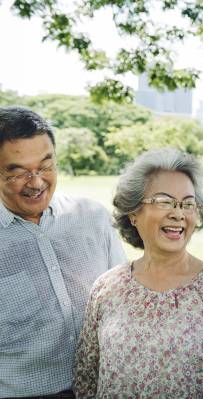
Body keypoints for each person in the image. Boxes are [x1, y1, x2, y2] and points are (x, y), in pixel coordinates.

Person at [73, 148, 203, 398]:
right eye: (164, 201)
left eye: (188, 204)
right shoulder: (107, 287)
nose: (178, 213)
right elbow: (86, 378)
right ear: (133, 213)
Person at [0, 106, 126, 397]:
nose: (36, 182)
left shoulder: (92, 217)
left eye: (45, 166)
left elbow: (123, 302)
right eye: (18, 173)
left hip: (102, 388)